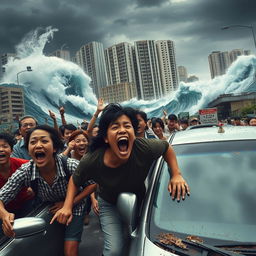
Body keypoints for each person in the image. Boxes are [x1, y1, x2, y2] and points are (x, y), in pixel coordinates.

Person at [51, 104, 190, 256]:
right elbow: (75, 181)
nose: (122, 130)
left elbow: (166, 148)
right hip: (109, 203)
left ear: (134, 132)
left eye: (127, 126)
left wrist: (176, 174)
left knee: (139, 242)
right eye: (115, 127)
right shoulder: (93, 159)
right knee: (114, 250)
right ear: (105, 137)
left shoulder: (143, 147)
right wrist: (67, 206)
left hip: (139, 200)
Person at [0, 125, 96, 256]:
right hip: (50, 209)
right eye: (33, 142)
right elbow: (1, 197)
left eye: (44, 141)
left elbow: (93, 184)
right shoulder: (25, 171)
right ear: (28, 150)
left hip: (76, 207)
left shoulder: (70, 165)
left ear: (54, 148)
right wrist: (4, 215)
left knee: (69, 251)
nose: (38, 145)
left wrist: (68, 204)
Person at [0, 133, 34, 216]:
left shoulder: (25, 165)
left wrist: (35, 187)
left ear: (12, 150)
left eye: (5, 146)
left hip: (28, 205)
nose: (1, 149)